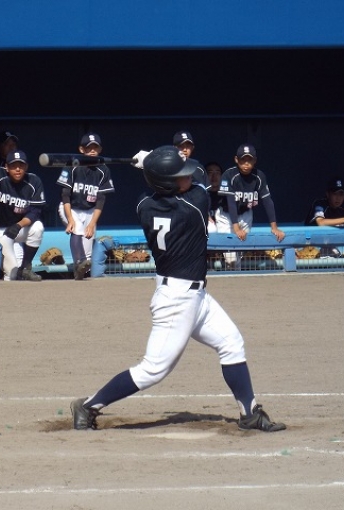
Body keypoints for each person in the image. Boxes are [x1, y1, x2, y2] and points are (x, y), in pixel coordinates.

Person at [70, 146, 286, 433]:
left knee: (231, 343)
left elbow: (161, 186)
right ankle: (88, 406)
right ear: (167, 183)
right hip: (177, 300)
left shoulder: (144, 204)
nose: (188, 178)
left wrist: (150, 167)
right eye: (179, 176)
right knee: (153, 370)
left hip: (195, 296)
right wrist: (149, 164)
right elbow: (200, 179)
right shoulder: (194, 205)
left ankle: (249, 413)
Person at [0, 150, 45, 281]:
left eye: (21, 165)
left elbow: (35, 211)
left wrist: (19, 225)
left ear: (26, 167)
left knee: (38, 227)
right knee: (12, 273)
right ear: (7, 167)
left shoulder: (34, 181)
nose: (18, 169)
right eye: (13, 165)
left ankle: (25, 268)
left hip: (17, 228)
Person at [216, 144, 285, 269]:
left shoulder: (259, 176)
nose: (246, 163)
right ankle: (225, 268)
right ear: (236, 159)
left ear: (255, 160)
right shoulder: (229, 175)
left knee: (239, 252)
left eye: (250, 160)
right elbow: (231, 203)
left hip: (246, 214)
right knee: (231, 258)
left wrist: (274, 227)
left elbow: (267, 201)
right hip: (226, 216)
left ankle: (233, 275)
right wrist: (236, 229)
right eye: (243, 160)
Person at [56, 133, 115, 280]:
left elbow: (101, 200)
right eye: (89, 148)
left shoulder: (103, 170)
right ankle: (79, 262)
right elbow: (65, 195)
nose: (92, 150)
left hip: (90, 210)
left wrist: (92, 223)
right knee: (77, 229)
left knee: (87, 255)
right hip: (70, 207)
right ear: (82, 150)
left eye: (95, 147)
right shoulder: (72, 165)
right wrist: (70, 219)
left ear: (100, 149)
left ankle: (79, 273)